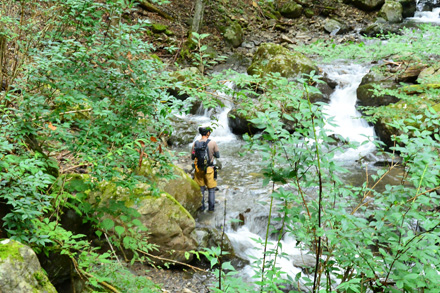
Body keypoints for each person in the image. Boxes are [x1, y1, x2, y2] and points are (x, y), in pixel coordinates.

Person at [191, 126, 220, 212]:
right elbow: (218, 155)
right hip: (209, 169)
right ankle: (211, 209)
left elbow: (192, 157)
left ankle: (202, 207)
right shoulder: (213, 143)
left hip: (198, 169)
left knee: (201, 189)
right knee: (211, 189)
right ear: (208, 133)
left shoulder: (195, 143)